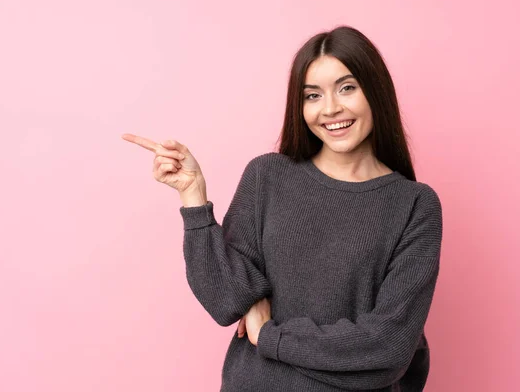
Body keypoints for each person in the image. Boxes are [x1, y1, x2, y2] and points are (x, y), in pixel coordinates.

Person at [122, 25, 443, 392]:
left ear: (376, 91)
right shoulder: (267, 177)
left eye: (347, 87)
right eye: (312, 95)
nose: (330, 108)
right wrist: (194, 198)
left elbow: (386, 349)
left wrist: (271, 338)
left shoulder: (415, 204)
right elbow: (226, 299)